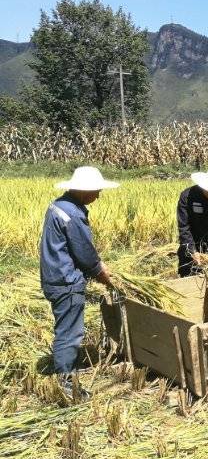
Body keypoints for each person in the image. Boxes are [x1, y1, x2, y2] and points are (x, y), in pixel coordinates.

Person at [40, 166, 118, 398]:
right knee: (69, 333)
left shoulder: (59, 205)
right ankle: (66, 385)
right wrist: (102, 274)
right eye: (96, 191)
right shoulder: (73, 214)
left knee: (65, 328)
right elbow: (84, 252)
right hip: (66, 280)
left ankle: (65, 378)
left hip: (54, 274)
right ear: (85, 191)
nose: (98, 195)